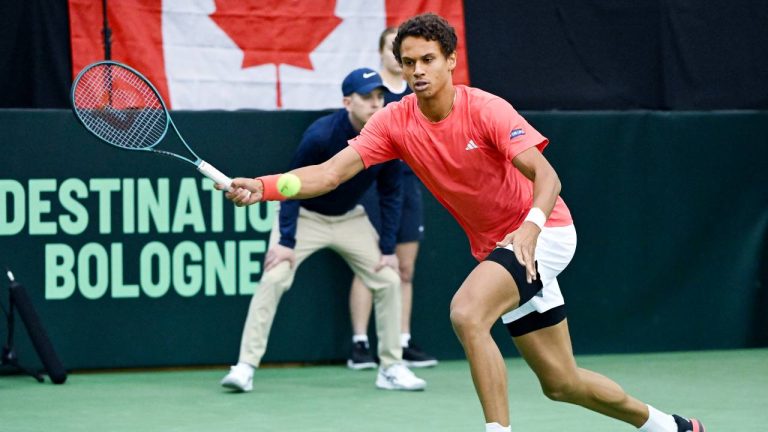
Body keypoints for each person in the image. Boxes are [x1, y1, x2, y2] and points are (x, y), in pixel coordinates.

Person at [219, 13, 705, 432]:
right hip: (500, 247)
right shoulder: (393, 121)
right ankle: (673, 426)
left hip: (546, 231)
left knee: (468, 313)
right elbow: (327, 175)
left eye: (428, 59)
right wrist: (262, 186)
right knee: (562, 383)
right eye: (408, 62)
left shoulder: (486, 110)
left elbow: (547, 177)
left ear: (450, 60)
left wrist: (531, 227)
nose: (417, 70)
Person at [219, 67, 426, 392]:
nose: (375, 104)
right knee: (274, 277)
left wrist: (387, 250)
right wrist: (286, 241)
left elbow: (391, 195)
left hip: (349, 218)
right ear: (347, 102)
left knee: (388, 279)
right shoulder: (320, 135)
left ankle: (391, 368)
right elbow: (290, 185)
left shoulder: (389, 139)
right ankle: (245, 367)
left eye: (379, 96)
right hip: (306, 218)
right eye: (366, 97)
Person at [346, 27, 437, 370]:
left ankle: (401, 341)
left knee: (404, 268)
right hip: (372, 183)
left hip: (409, 183)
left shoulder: (419, 89)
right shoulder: (372, 91)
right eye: (393, 48)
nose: (399, 55)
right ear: (383, 52)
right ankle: (360, 344)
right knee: (370, 262)